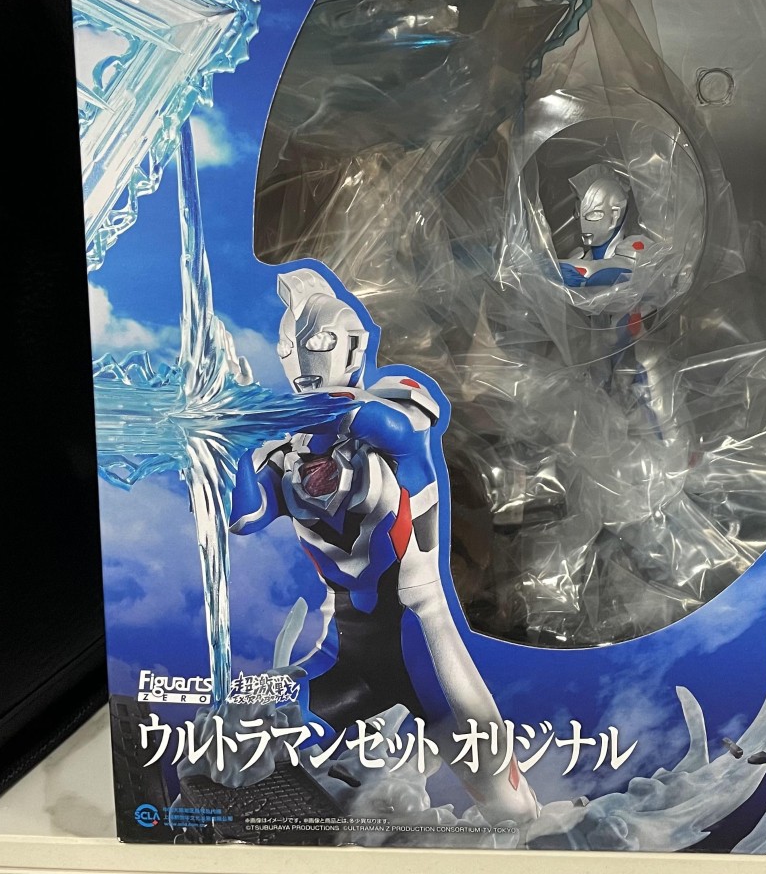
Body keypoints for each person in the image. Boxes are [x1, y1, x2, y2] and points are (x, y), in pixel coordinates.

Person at [230, 267, 539, 823]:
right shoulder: (282, 456)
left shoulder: (395, 409)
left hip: (426, 645)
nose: (303, 359)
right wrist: (230, 443)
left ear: (349, 346)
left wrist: (283, 414)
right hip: (346, 652)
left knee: (510, 806)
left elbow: (391, 428)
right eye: (292, 348)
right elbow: (244, 517)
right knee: (253, 727)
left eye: (317, 343)